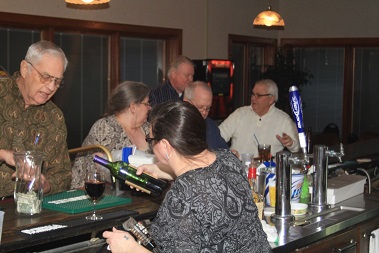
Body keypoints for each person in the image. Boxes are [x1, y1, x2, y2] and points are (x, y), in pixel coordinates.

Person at [103, 101, 271, 253]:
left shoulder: (182, 198)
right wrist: (158, 170)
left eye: (151, 140)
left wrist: (130, 249)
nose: (150, 145)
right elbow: (202, 172)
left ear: (165, 146)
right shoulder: (228, 159)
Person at [0, 40, 72, 197]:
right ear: (25, 69)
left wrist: (44, 185)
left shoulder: (54, 117)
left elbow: (63, 174)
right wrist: (3, 155)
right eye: (46, 77)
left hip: (28, 206)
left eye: (57, 81)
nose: (51, 87)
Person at [71, 81, 151, 189]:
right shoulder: (104, 128)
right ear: (133, 107)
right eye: (146, 103)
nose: (150, 108)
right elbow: (102, 171)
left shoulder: (148, 128)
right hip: (98, 195)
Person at [219, 79, 300, 157]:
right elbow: (218, 135)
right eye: (253, 94)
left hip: (268, 169)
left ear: (271, 99)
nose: (253, 98)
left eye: (258, 95)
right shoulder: (240, 113)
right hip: (237, 167)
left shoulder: (283, 119)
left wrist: (291, 143)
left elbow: (297, 147)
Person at [183, 81, 229, 150]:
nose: (204, 113)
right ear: (187, 103)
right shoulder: (175, 126)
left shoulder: (211, 126)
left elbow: (224, 151)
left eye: (208, 108)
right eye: (200, 107)